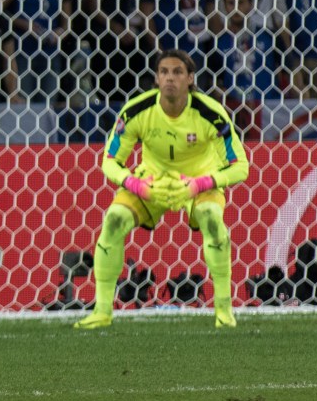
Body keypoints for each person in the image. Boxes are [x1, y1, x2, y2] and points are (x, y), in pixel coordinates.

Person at [74, 49, 250, 330]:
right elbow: (109, 162)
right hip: (151, 183)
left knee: (213, 220)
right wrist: (135, 184)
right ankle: (102, 311)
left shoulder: (210, 114)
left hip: (197, 182)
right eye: (164, 72)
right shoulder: (137, 111)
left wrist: (199, 184)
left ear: (191, 78)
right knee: (114, 220)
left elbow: (240, 167)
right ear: (156, 78)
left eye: (178, 72)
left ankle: (224, 311)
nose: (170, 78)